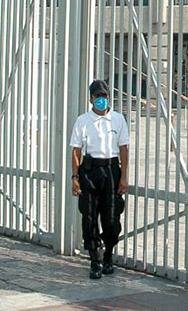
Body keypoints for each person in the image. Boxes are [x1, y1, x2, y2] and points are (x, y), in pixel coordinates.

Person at [69, 79, 130, 280]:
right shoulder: (83, 121)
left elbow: (123, 149)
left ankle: (108, 254)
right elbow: (76, 150)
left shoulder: (118, 120)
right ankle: (95, 259)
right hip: (90, 171)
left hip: (111, 171)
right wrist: (75, 177)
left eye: (104, 96)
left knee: (111, 218)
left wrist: (123, 176)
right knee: (89, 216)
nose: (101, 100)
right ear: (91, 99)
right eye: (97, 96)